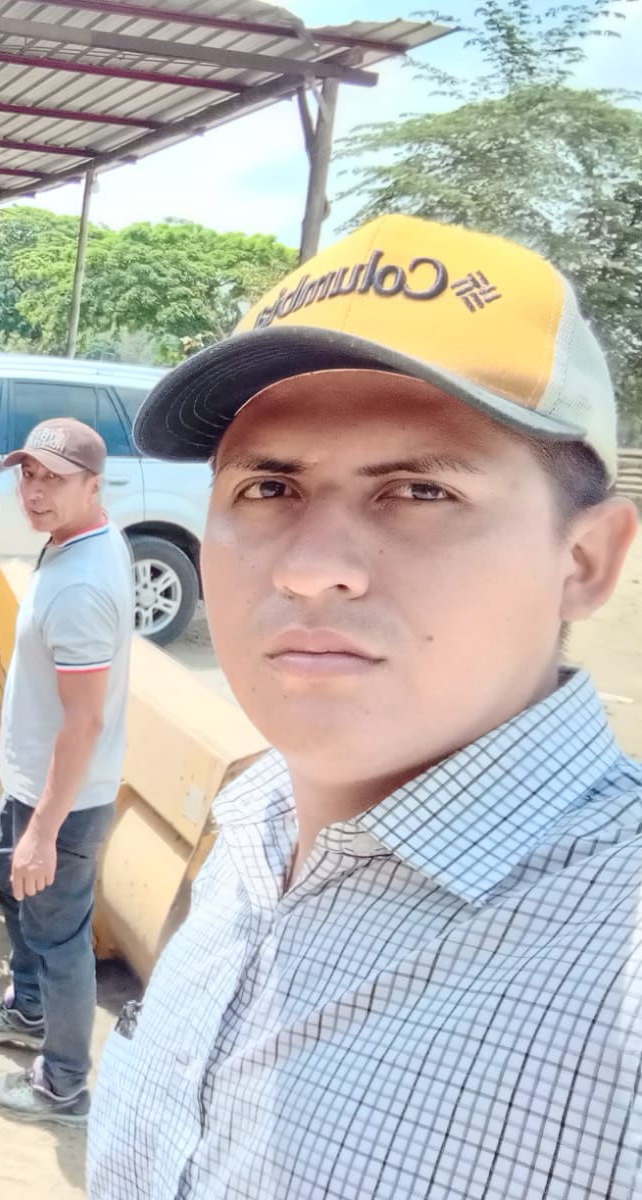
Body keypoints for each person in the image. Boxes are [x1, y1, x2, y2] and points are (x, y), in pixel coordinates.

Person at [87, 215, 641, 1197]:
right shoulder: (251, 831)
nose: (310, 569)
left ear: (585, 561)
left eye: (419, 492)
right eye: (269, 487)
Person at [0, 417, 134, 1127]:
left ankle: (63, 1085)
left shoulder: (81, 588)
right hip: (33, 784)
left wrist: (44, 832)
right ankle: (28, 1008)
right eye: (29, 474)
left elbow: (83, 721)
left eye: (55, 479)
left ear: (94, 485)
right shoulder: (78, 540)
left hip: (63, 802)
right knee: (11, 886)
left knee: (61, 939)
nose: (35, 491)